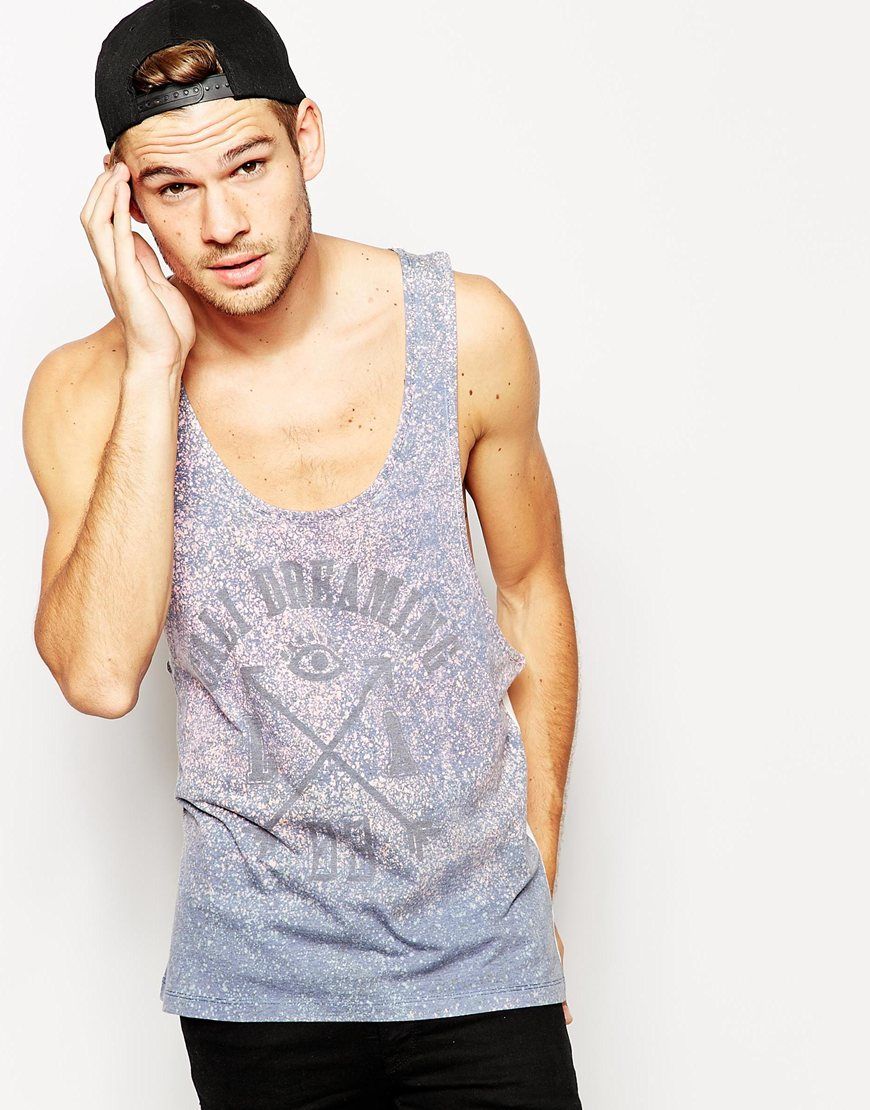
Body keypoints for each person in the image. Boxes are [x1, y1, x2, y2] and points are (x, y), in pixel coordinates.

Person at [22, 0, 582, 1105]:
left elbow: (531, 593)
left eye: (249, 165)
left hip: (483, 962)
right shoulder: (85, 391)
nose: (223, 222)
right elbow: (98, 675)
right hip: (258, 991)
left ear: (307, 140)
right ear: (121, 199)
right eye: (174, 188)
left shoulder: (466, 330)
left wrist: (535, 884)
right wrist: (153, 368)